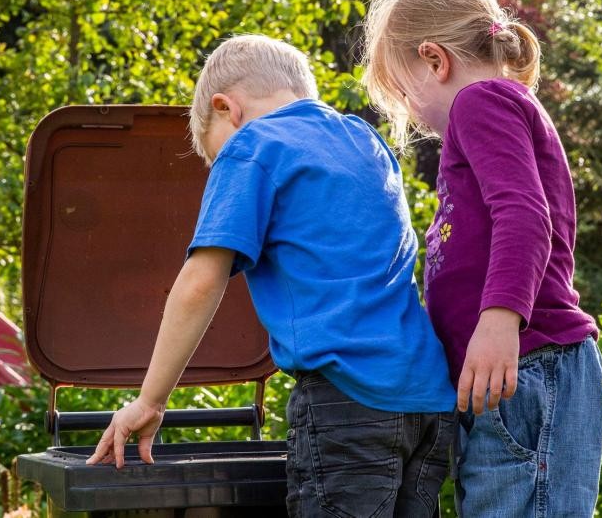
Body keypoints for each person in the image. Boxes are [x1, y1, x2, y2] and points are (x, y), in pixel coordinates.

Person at [86, 34, 456, 518]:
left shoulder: (253, 146)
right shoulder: (364, 140)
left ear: (227, 108)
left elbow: (201, 281)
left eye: (217, 155)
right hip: (428, 398)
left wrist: (150, 401)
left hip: (348, 398)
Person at [361, 0, 602, 516]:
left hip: (529, 363)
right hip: (513, 374)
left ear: (434, 60)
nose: (413, 115)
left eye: (404, 94)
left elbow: (524, 213)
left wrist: (499, 319)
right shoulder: (498, 106)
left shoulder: (482, 102)